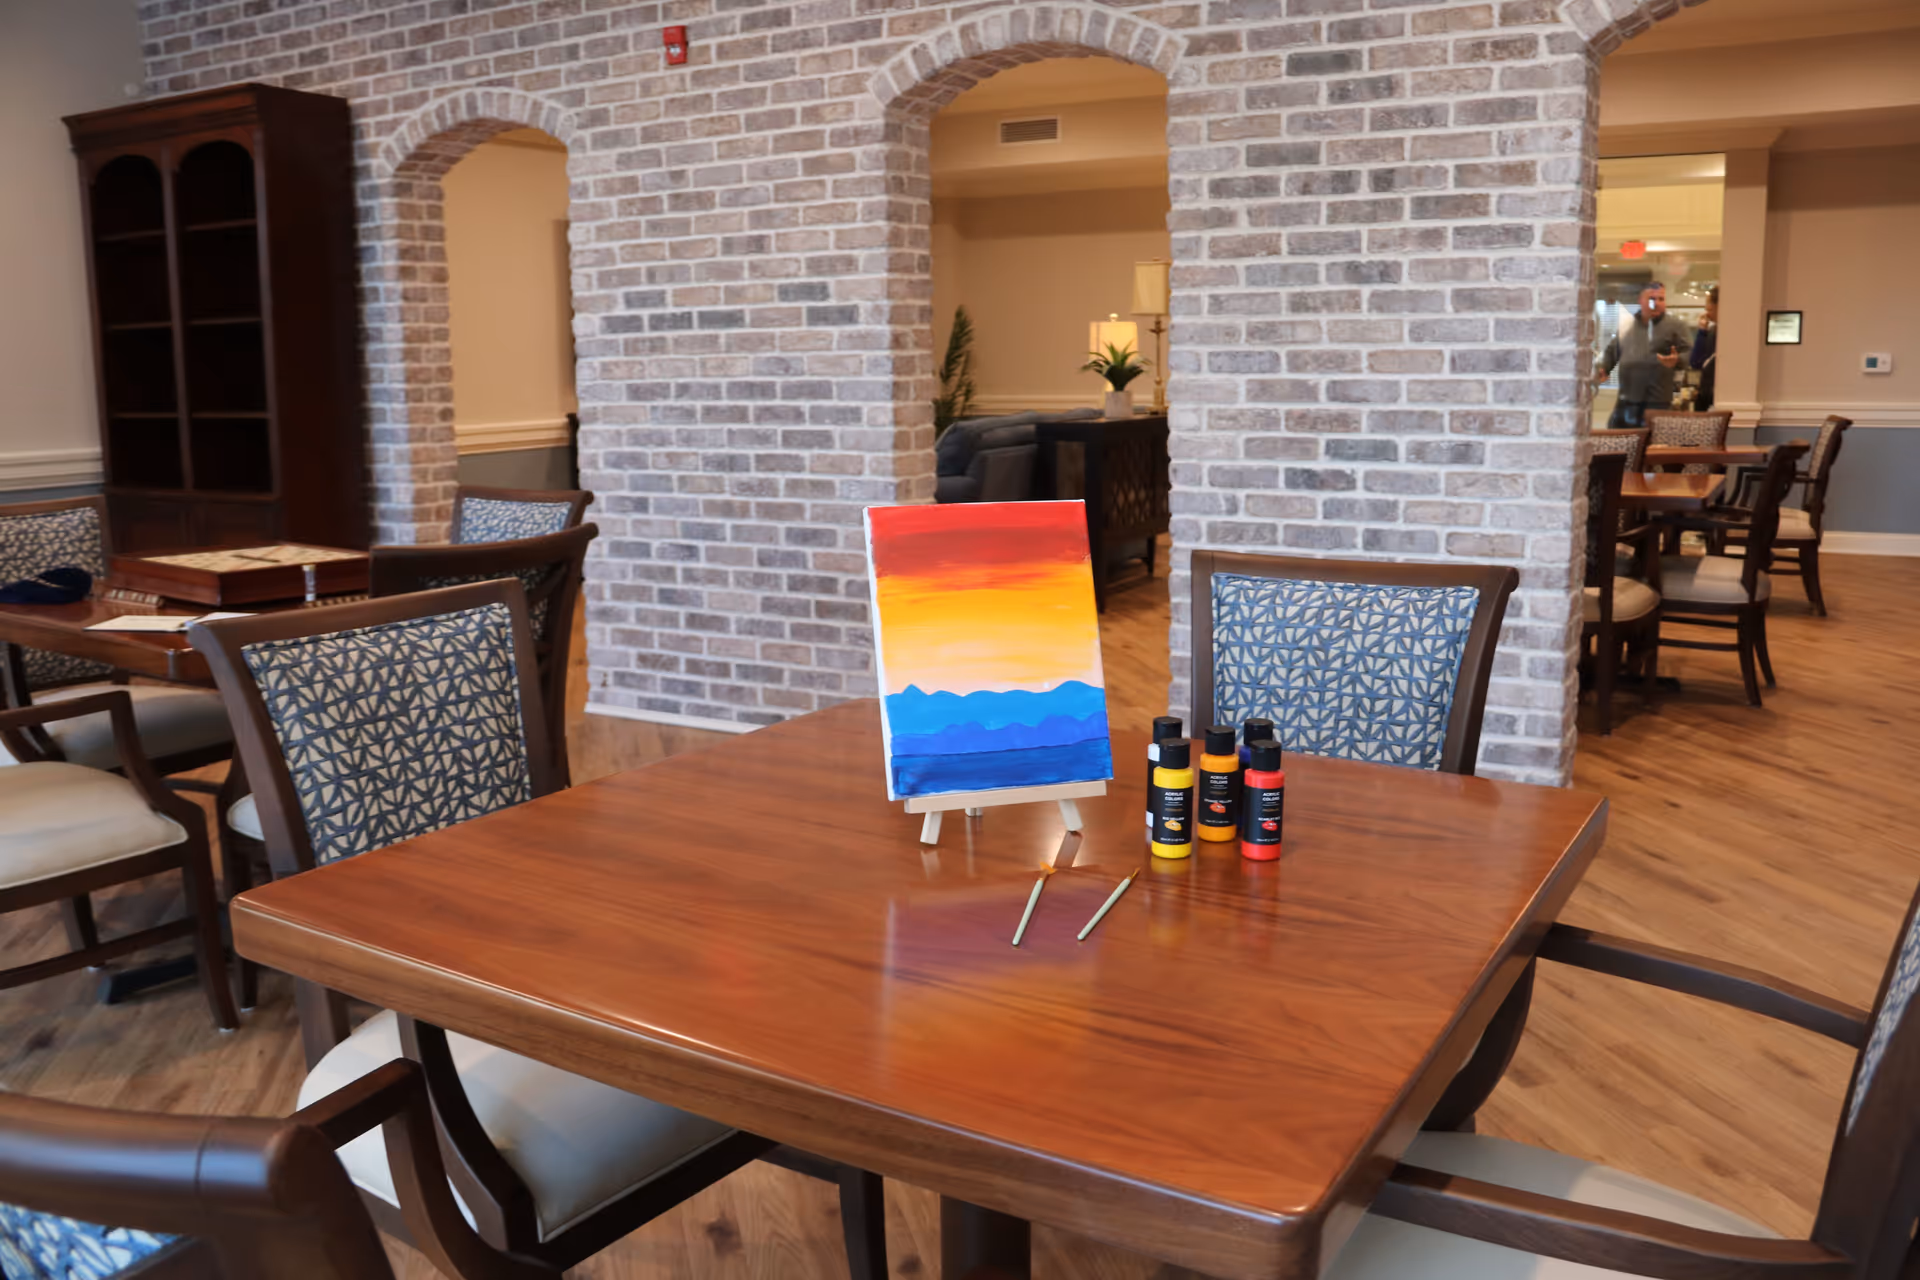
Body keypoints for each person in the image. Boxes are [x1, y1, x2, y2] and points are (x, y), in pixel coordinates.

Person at [1593, 282, 1691, 428]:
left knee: (1650, 448)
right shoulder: (1628, 325)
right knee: (1617, 442)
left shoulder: (1676, 326)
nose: (1656, 303)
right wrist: (1604, 368)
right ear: (1641, 300)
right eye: (1652, 299)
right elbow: (1612, 351)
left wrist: (1677, 360)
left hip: (1657, 403)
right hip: (1626, 400)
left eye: (1661, 299)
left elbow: (1689, 352)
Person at [1690, 285, 1718, 412]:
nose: (1707, 311)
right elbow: (1696, 362)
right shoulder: (1711, 332)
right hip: (1705, 397)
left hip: (1716, 396)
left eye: (1709, 307)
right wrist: (1702, 332)